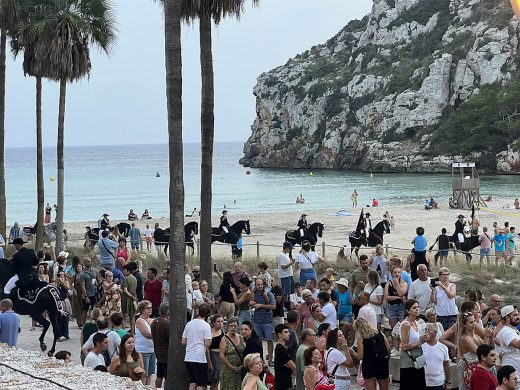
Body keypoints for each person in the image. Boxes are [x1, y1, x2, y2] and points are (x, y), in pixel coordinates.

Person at [349, 317, 390, 390]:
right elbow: (388, 348)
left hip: (369, 366)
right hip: (382, 364)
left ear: (358, 328)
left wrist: (352, 351)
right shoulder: (380, 333)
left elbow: (360, 357)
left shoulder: (361, 339)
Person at [182, 303, 212, 390]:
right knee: (201, 384)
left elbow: (183, 341)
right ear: (207, 314)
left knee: (192, 382)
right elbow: (207, 344)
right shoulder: (206, 326)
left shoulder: (189, 324)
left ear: (198, 311)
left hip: (188, 357)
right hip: (199, 358)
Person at [400, 299, 428, 389]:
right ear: (408, 311)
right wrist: (420, 341)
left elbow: (416, 339)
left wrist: (423, 338)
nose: (417, 309)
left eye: (418, 307)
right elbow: (404, 346)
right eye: (414, 308)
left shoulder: (416, 323)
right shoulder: (406, 324)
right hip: (409, 359)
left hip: (418, 356)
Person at [250, 277, 275, 366]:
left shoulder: (269, 294)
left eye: (261, 284)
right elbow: (250, 305)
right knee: (258, 341)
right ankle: (260, 359)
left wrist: (261, 305)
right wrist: (251, 304)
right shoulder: (254, 294)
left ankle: (270, 359)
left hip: (267, 320)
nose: (260, 286)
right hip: (257, 320)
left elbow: (273, 306)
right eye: (258, 284)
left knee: (269, 340)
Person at [421, 322, 451, 390]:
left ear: (435, 332)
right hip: (424, 382)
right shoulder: (420, 346)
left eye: (428, 329)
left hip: (439, 383)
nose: (426, 331)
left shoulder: (443, 347)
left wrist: (448, 382)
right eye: (425, 329)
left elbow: (446, 365)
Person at [384, 266, 407, 349]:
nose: (397, 274)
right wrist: (397, 298)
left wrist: (397, 285)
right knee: (394, 330)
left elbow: (402, 293)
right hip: (391, 307)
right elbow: (386, 297)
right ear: (392, 274)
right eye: (395, 272)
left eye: (398, 272)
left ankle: (402, 347)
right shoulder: (388, 283)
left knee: (402, 328)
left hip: (401, 307)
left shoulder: (404, 284)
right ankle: (396, 348)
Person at [219, 316, 245, 390]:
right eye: (231, 326)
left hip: (239, 369)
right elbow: (221, 355)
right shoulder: (224, 339)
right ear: (228, 326)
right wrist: (231, 367)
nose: (233, 328)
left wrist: (243, 365)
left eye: (235, 326)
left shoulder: (241, 337)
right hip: (227, 370)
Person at [135, 300, 155, 385]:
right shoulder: (140, 320)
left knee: (150, 373)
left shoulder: (152, 320)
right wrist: (158, 335)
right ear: (142, 309)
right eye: (147, 308)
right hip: (143, 351)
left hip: (152, 350)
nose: (150, 310)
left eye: (151, 308)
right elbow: (147, 334)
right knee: (143, 374)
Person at [496, 305, 520, 375]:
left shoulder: (514, 330)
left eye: (518, 314)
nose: (518, 317)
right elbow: (517, 345)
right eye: (515, 315)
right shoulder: (505, 331)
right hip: (512, 370)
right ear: (507, 318)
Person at [150, 303, 169, 388]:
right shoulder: (166, 324)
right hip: (166, 353)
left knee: (159, 375)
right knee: (167, 377)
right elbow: (170, 339)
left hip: (157, 351)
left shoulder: (154, 322)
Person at [274, 324, 296, 390]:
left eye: (288, 332)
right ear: (279, 334)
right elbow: (293, 366)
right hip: (282, 384)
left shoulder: (282, 348)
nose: (289, 334)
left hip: (284, 381)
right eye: (285, 332)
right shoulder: (280, 348)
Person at [79, 257, 99, 326]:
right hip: (87, 294)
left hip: (95, 293)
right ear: (84, 263)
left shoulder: (95, 271)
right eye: (88, 261)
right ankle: (83, 325)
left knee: (95, 310)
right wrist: (85, 296)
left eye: (90, 261)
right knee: (85, 310)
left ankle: (95, 324)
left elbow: (98, 280)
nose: (89, 263)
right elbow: (82, 286)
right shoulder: (82, 274)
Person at [208, 314, 224, 390]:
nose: (220, 323)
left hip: (221, 356)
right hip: (213, 356)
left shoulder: (222, 331)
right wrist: (209, 362)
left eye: (222, 321)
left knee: (217, 380)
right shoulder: (210, 332)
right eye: (218, 322)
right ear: (214, 323)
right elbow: (207, 348)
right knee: (214, 380)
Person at [278, 241, 295, 306]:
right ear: (286, 248)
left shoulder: (286, 255)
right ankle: (285, 304)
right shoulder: (281, 255)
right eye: (290, 248)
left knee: (291, 290)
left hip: (289, 274)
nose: (290, 250)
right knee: (286, 292)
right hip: (285, 275)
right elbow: (283, 266)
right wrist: (290, 263)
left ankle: (290, 303)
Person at [121, 264, 138, 333]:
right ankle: (133, 332)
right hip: (134, 298)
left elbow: (125, 290)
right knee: (132, 316)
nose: (123, 272)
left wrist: (130, 296)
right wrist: (133, 297)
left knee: (123, 316)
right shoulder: (134, 278)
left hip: (126, 299)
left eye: (124, 270)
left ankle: (124, 332)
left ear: (128, 271)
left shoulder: (126, 278)